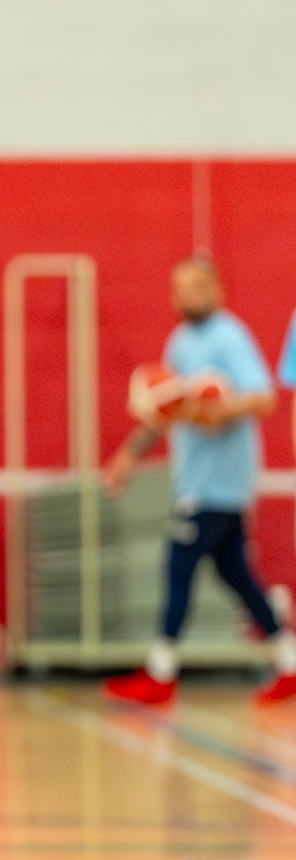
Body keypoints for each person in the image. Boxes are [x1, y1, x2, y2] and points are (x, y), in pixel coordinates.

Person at [102, 257, 296, 706]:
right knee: (236, 575)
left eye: (196, 286)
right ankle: (289, 660)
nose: (187, 295)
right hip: (192, 480)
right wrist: (127, 456)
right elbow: (167, 410)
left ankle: (161, 671)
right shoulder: (180, 343)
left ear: (218, 290)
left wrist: (213, 410)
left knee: (178, 567)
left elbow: (263, 398)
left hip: (221, 483)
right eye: (179, 287)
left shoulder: (229, 337)